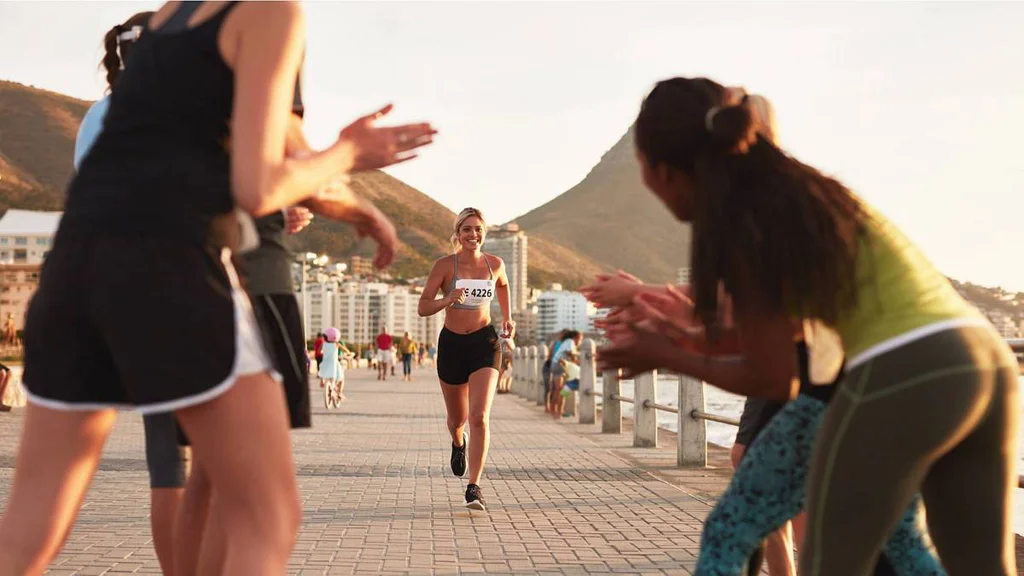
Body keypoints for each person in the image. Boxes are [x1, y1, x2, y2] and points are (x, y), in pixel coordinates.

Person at [0, 3, 436, 575]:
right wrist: (350, 152)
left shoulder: (167, 19)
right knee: (266, 517)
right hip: (172, 265)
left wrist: (360, 210)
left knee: (28, 533)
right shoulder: (269, 11)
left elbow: (287, 150)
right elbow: (258, 188)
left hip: (73, 268)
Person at [597, 76, 1018, 575]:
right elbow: (779, 339)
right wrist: (680, 337)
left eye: (643, 167)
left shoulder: (743, 218)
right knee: (980, 565)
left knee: (824, 560)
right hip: (986, 361)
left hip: (901, 370)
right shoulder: (808, 192)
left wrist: (664, 353)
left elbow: (777, 378)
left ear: (665, 172)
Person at [69, 14, 185, 572]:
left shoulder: (97, 116)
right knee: (189, 465)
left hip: (94, 292)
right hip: (171, 299)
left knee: (163, 462)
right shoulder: (172, 118)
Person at [418, 208, 515, 510]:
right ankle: (458, 442)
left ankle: (474, 487)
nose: (473, 235)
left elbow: (503, 285)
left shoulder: (495, 264)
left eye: (478, 229)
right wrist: (447, 299)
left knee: (479, 417)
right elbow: (423, 307)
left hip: (485, 343)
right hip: (452, 345)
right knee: (457, 420)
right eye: (467, 229)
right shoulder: (445, 265)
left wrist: (507, 317)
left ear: (485, 233)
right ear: (458, 234)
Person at [550, 331, 582, 418]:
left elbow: (571, 357)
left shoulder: (566, 342)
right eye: (580, 339)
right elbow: (569, 353)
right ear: (575, 338)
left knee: (558, 390)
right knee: (561, 391)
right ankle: (558, 412)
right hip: (560, 365)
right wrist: (580, 355)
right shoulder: (570, 342)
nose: (580, 342)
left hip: (556, 364)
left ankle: (554, 411)